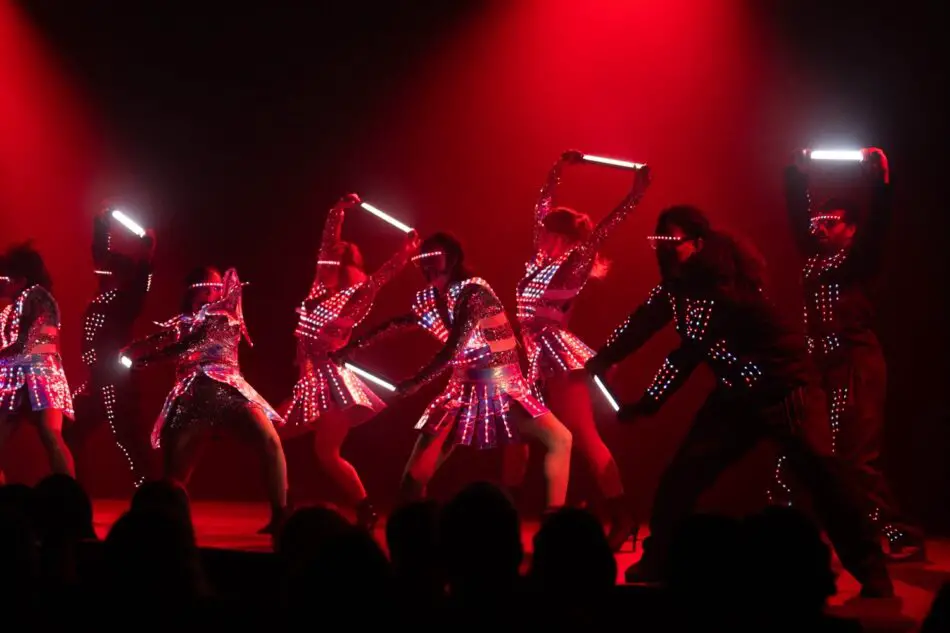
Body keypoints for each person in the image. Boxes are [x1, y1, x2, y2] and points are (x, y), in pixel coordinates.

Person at [585, 205, 894, 598]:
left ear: (697, 244)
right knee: (682, 477)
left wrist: (647, 403)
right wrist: (603, 357)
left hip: (786, 391)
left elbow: (687, 354)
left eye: (670, 242)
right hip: (737, 395)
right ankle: (659, 557)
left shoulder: (723, 288)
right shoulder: (679, 288)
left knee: (825, 479)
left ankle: (872, 572)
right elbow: (643, 320)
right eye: (656, 241)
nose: (662, 250)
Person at [335, 233, 573, 510]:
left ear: (454, 259)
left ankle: (556, 520)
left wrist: (416, 382)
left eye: (434, 257)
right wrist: (353, 347)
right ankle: (413, 529)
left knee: (560, 438)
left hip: (504, 387)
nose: (427, 266)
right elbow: (399, 324)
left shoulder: (474, 293)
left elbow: (453, 347)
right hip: (464, 391)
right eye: (422, 260)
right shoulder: (436, 297)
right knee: (415, 476)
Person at [774, 147, 924, 560]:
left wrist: (880, 182)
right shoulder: (814, 260)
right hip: (820, 367)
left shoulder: (860, 261)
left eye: (831, 222)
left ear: (851, 229)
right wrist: (797, 174)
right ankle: (802, 533)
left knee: (858, 457)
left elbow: (879, 228)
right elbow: (797, 222)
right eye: (817, 221)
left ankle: (898, 533)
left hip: (857, 364)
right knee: (809, 451)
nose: (820, 228)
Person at [505, 150, 650, 549]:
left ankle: (624, 516)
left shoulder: (574, 262)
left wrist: (635, 194)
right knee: (515, 437)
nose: (541, 235)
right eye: (543, 231)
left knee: (584, 436)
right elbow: (541, 208)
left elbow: (604, 229)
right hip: (533, 358)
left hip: (557, 357)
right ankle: (505, 520)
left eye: (549, 232)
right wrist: (556, 169)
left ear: (565, 238)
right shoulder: (538, 259)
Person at [281, 193, 419, 530]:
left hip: (330, 383)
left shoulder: (356, 295)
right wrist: (336, 213)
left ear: (347, 266)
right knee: (283, 437)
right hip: (312, 379)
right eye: (327, 259)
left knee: (315, 449)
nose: (327, 261)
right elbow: (327, 245)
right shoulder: (319, 288)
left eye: (335, 259)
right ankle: (286, 506)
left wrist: (404, 253)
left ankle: (358, 508)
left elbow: (381, 277)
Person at [121, 267, 288, 533]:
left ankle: (281, 514)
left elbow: (195, 343)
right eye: (211, 285)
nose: (217, 290)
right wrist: (136, 347)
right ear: (198, 289)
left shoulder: (224, 315)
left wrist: (151, 358)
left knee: (269, 442)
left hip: (229, 391)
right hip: (194, 395)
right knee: (176, 471)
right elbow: (166, 337)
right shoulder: (184, 321)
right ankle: (168, 521)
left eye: (218, 285)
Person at [67, 208, 156, 489]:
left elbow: (142, 286)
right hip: (97, 382)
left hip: (117, 384)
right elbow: (99, 254)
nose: (103, 271)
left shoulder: (125, 301)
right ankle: (75, 490)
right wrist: (101, 222)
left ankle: (150, 494)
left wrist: (147, 255)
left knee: (128, 440)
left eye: (110, 270)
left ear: (121, 275)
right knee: (72, 431)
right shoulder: (102, 295)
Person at [0, 242, 76, 482]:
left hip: (40, 375)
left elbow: (34, 342)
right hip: (15, 379)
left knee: (50, 433)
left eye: (4, 277)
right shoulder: (10, 309)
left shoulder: (38, 298)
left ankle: (68, 496)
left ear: (20, 279)